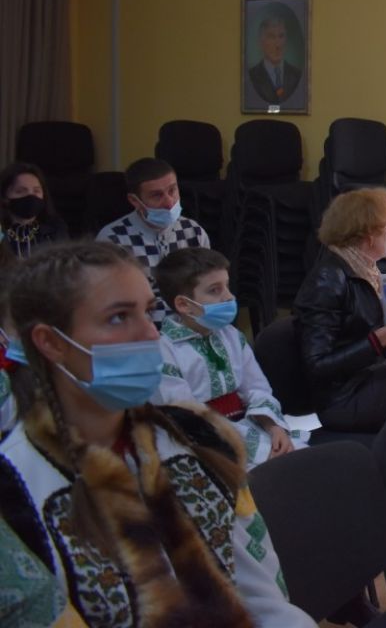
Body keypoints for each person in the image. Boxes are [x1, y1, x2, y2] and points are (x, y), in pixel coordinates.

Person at [0, 241, 315, 626]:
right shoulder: (15, 491)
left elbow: (260, 591)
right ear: (51, 343)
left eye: (148, 311)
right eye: (119, 317)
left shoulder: (197, 437)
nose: (150, 333)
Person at [151, 247, 306, 469]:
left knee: (306, 462)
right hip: (205, 446)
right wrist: (258, 448)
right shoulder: (164, 351)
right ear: (184, 305)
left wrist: (273, 428)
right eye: (215, 290)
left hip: (251, 428)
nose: (229, 296)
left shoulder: (230, 335)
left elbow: (256, 388)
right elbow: (187, 418)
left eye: (227, 286)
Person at [292, 188, 386, 432]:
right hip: (342, 400)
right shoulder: (327, 279)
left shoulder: (363, 271)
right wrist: (381, 338)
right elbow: (317, 365)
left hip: (365, 380)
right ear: (369, 236)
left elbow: (365, 342)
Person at [96, 157, 210, 327]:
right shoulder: (113, 239)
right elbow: (110, 303)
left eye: (172, 190)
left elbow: (205, 288)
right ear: (135, 201)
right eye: (157, 195)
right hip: (141, 330)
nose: (169, 202)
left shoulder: (193, 231)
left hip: (189, 327)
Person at [1, 162, 68, 258]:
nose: (31, 196)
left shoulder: (55, 230)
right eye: (20, 191)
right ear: (4, 197)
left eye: (36, 191)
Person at [247, 15, 302, 105]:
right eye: (271, 37)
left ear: (286, 40)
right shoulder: (252, 77)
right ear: (261, 43)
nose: (278, 45)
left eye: (281, 36)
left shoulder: (296, 75)